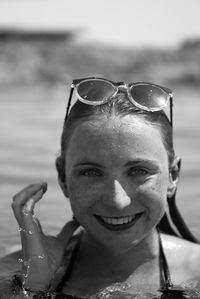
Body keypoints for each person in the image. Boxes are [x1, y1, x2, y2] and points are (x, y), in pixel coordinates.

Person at [0, 77, 200, 299]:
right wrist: (33, 287)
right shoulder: (10, 273)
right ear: (63, 177)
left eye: (139, 171)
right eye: (91, 173)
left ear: (173, 175)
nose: (117, 201)